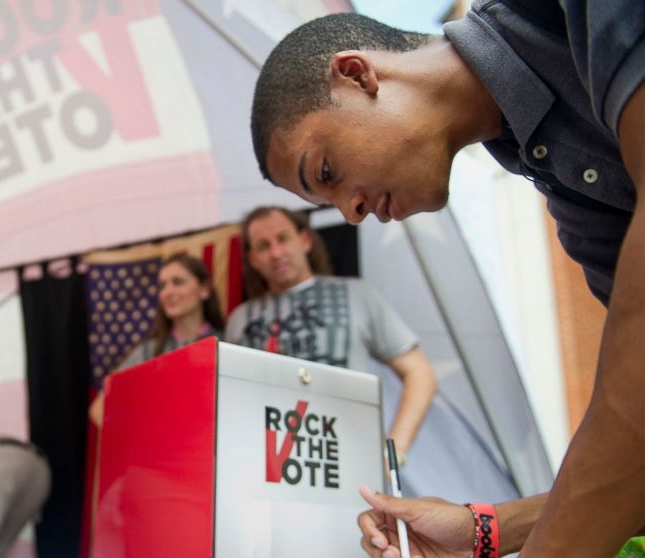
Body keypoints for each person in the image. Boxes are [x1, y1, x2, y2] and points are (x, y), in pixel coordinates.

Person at [250, 3, 644, 557]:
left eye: (327, 172)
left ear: (358, 74)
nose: (353, 213)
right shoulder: (565, 189)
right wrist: (489, 529)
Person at [225, 206, 435, 462]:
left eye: (283, 238)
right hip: (265, 465)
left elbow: (419, 372)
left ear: (304, 240)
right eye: (263, 246)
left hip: (348, 464)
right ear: (253, 259)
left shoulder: (358, 295)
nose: (276, 253)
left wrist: (396, 450)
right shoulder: (239, 320)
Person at [88, 252, 225, 428]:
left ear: (204, 289)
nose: (168, 292)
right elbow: (99, 408)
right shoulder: (149, 352)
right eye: (162, 286)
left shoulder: (227, 342)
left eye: (178, 282)